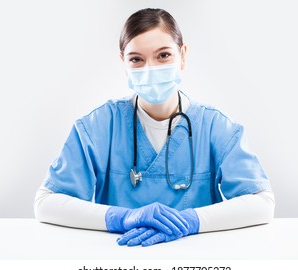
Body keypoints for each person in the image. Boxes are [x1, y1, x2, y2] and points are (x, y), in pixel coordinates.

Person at [34, 8, 275, 247]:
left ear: (183, 55)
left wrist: (191, 221)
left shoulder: (216, 127)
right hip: (118, 261)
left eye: (163, 55)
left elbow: (262, 203)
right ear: (123, 62)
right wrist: (122, 218)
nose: (150, 69)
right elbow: (46, 202)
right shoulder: (98, 127)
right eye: (136, 59)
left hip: (197, 264)